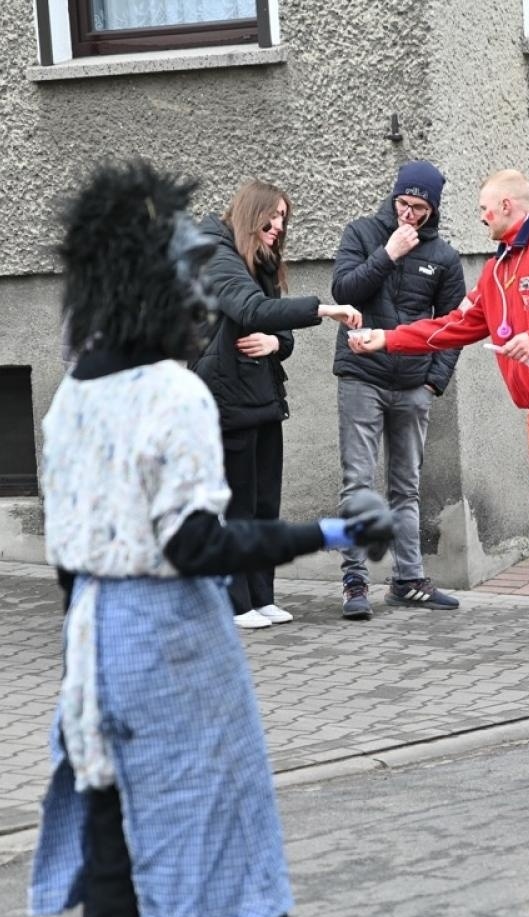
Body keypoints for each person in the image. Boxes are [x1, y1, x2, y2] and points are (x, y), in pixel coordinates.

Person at [30, 160, 389, 917]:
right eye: (191, 280)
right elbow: (196, 545)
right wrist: (330, 531)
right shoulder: (173, 393)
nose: (205, 299)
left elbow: (67, 560)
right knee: (232, 838)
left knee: (117, 863)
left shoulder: (72, 395)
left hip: (94, 648)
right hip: (173, 648)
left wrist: (85, 663)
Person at [349, 169, 529, 661]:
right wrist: (387, 338)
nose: (479, 215)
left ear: (508, 207)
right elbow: (458, 323)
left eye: (484, 207)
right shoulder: (499, 268)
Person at [193, 180, 362, 631]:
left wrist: (277, 341)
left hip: (263, 398)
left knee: (265, 505)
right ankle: (235, 603)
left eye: (285, 219)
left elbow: (273, 324)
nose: (280, 227)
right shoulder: (216, 253)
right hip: (226, 400)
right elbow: (249, 310)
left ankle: (262, 597)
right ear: (253, 215)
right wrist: (326, 311)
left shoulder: (260, 262)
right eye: (274, 218)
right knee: (238, 507)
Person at [330, 160, 468, 619]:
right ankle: (354, 582)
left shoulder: (444, 257)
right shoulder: (363, 233)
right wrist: (388, 253)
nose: (409, 214)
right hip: (361, 377)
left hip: (413, 384)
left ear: (433, 209)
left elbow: (456, 325)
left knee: (406, 488)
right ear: (393, 199)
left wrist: (434, 380)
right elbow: (344, 288)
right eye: (403, 204)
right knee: (358, 483)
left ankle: (408, 581)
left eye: (419, 207)